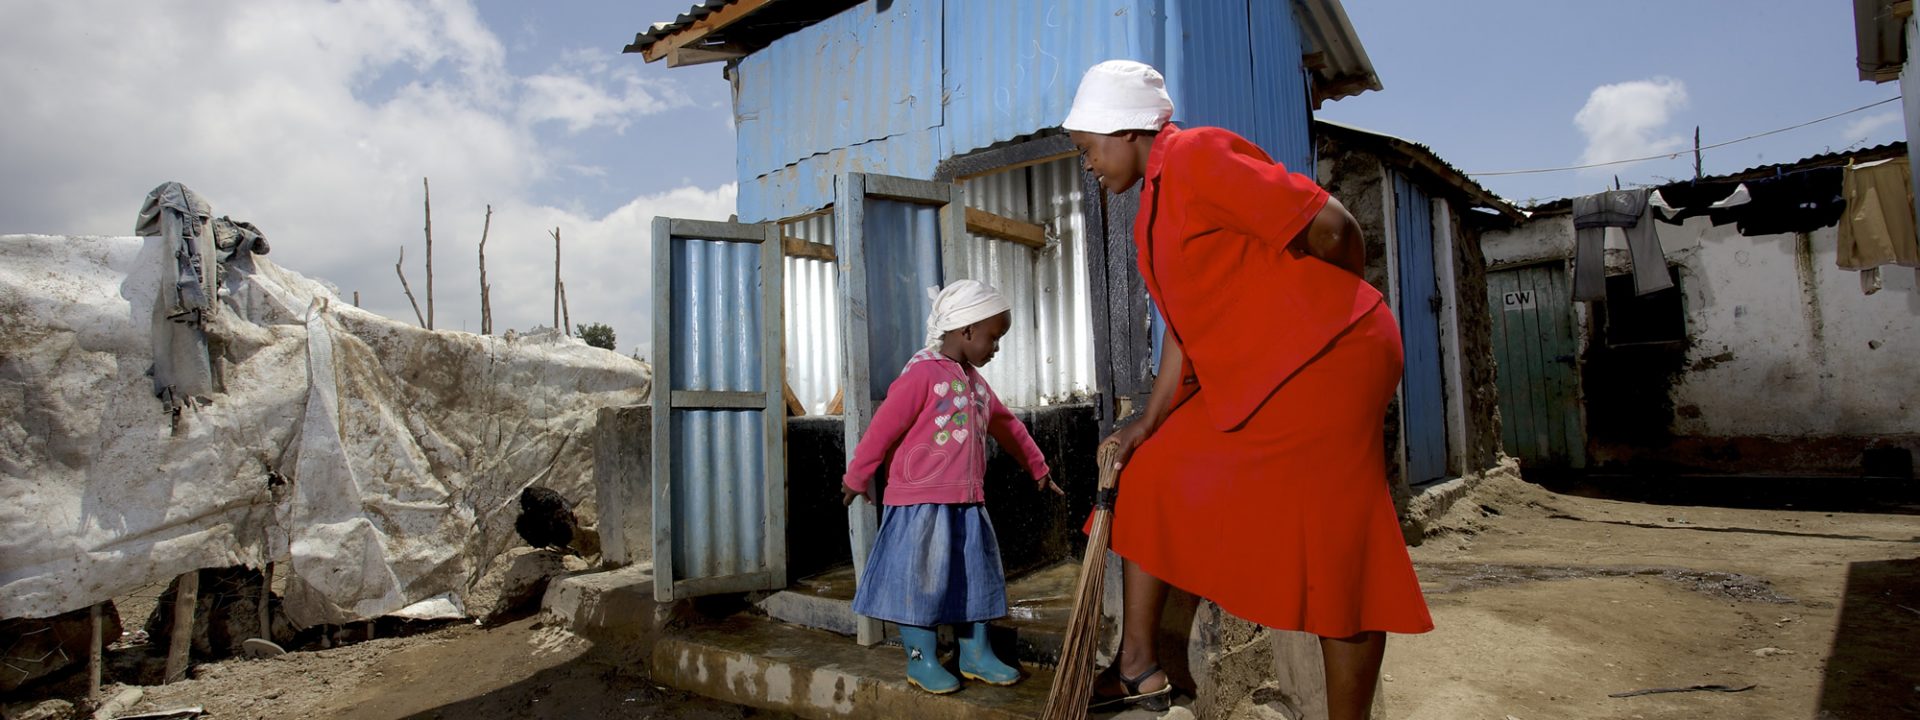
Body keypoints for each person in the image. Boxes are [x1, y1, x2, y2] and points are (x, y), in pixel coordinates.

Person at [1062, 60, 1433, 717]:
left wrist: (1322, 310)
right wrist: (1145, 423)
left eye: (1088, 148)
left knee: (1334, 551)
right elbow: (1185, 328)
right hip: (1264, 374)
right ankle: (1139, 665)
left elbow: (1335, 228)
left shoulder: (1199, 155)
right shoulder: (1152, 209)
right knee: (1147, 475)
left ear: (1123, 130)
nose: (1086, 163)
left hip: (1333, 357)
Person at [841, 279, 1064, 695]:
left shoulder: (976, 383)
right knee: (918, 581)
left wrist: (1038, 467)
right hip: (920, 504)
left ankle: (975, 654)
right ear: (966, 331)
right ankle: (920, 660)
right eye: (993, 338)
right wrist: (857, 476)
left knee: (975, 576)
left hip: (967, 501)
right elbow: (883, 428)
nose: (995, 348)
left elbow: (1007, 426)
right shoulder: (922, 374)